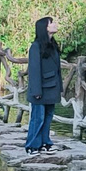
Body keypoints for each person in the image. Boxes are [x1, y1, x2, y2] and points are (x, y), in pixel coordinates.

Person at [25, 16, 62, 154]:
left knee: (48, 117)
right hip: (41, 88)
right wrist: (36, 90)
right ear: (44, 28)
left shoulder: (52, 45)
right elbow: (34, 70)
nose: (54, 24)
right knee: (37, 118)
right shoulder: (36, 47)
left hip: (52, 86)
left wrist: (60, 87)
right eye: (51, 23)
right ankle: (32, 145)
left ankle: (45, 143)